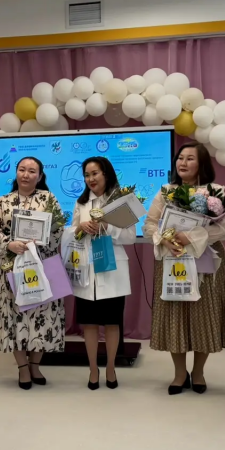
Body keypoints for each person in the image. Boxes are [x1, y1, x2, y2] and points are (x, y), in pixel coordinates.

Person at [144, 143, 225, 394]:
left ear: (201, 163)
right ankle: (179, 373)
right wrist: (163, 238)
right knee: (175, 313)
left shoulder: (216, 192)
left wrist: (191, 237)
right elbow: (150, 224)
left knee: (204, 314)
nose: (182, 163)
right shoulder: (166, 191)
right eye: (180, 158)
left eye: (190, 158)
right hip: (172, 258)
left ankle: (199, 372)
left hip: (206, 260)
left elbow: (223, 229)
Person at [0, 157, 66, 389]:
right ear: (16, 173)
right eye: (22, 169)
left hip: (42, 265)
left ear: (40, 176)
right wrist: (9, 244)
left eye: (32, 171)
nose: (26, 174)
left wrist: (40, 242)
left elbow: (59, 229)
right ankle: (22, 367)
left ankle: (35, 365)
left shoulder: (49, 199)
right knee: (15, 316)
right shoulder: (3, 201)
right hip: (12, 266)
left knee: (42, 314)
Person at [71, 157, 136, 390]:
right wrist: (80, 228)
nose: (90, 179)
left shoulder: (120, 202)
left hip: (112, 269)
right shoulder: (81, 203)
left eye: (95, 173)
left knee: (111, 322)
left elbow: (130, 237)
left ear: (106, 174)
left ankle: (110, 368)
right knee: (89, 324)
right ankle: (92, 369)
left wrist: (107, 227)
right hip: (87, 268)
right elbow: (71, 233)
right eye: (86, 175)